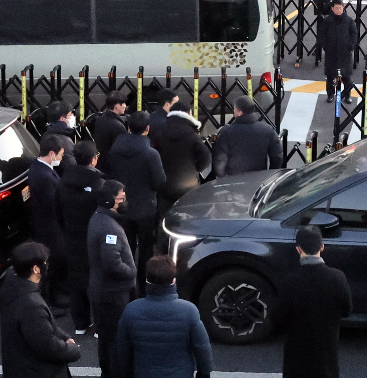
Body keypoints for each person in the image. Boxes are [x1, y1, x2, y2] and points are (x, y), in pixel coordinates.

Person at [115, 256, 214, 378]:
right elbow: (202, 346)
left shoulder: (132, 310)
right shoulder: (189, 311)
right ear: (174, 280)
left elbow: (122, 350)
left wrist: (129, 375)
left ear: (147, 280)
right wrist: (204, 373)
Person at [272, 226, 353, 378]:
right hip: (327, 352)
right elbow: (347, 310)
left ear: (298, 250)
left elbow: (278, 318)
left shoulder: (290, 281)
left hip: (297, 355)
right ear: (322, 248)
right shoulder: (337, 278)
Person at [0, 242, 81, 378]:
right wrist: (72, 350)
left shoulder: (12, 287)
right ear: (36, 268)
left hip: (22, 373)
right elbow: (47, 345)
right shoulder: (31, 305)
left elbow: (44, 327)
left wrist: (61, 335)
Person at [88, 179, 138, 378]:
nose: (124, 198)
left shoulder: (99, 218)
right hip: (113, 293)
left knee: (106, 339)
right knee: (118, 341)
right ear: (110, 201)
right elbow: (112, 263)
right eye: (121, 196)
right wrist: (131, 272)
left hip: (101, 291)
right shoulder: (109, 227)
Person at [60, 141, 105, 335]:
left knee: (76, 279)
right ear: (94, 159)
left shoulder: (63, 181)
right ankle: (99, 324)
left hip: (71, 236)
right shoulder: (98, 183)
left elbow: (57, 211)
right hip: (93, 237)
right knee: (96, 280)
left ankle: (80, 322)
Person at [109, 112, 167, 261]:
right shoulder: (151, 154)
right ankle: (143, 279)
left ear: (128, 127)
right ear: (147, 128)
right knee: (146, 248)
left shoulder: (115, 149)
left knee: (126, 247)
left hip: (121, 205)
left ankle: (128, 276)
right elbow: (159, 182)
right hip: (145, 207)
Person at [151, 100, 211, 241]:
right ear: (188, 113)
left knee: (165, 220)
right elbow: (206, 158)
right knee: (187, 219)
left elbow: (153, 154)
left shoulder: (160, 130)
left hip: (164, 183)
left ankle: (164, 248)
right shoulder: (192, 134)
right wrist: (195, 169)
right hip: (187, 185)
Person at [28, 135, 72, 307]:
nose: (61, 159)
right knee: (52, 262)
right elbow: (52, 203)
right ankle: (49, 298)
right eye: (60, 155)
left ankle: (55, 292)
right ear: (52, 154)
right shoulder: (44, 176)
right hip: (49, 226)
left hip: (45, 224)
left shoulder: (40, 167)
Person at [213, 96, 284, 177]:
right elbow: (277, 156)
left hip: (234, 179)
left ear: (239, 112)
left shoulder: (227, 132)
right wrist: (269, 175)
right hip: (258, 179)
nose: (233, 112)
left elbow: (220, 160)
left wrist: (223, 177)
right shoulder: (267, 130)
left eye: (234, 109)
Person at [319, 0, 358, 106]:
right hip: (331, 53)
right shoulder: (327, 21)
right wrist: (325, 46)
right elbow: (321, 35)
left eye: (340, 8)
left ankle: (347, 95)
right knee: (330, 75)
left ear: (343, 8)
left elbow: (354, 34)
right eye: (336, 8)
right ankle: (330, 94)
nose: (338, 10)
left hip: (345, 53)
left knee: (347, 76)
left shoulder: (349, 21)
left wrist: (350, 46)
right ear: (332, 8)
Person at [90, 92, 130, 176]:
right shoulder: (118, 126)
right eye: (123, 103)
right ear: (117, 106)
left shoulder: (99, 120)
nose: (125, 106)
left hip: (100, 164)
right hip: (112, 168)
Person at [310, 0, 340, 66]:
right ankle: (318, 50)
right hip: (319, 12)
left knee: (331, 32)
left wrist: (328, 5)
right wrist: (319, 4)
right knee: (319, 32)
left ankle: (331, 50)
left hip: (329, 12)